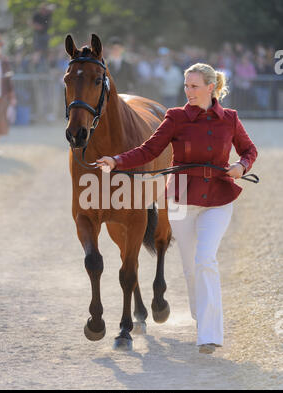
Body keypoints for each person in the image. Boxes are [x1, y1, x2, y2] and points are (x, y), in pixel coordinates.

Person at [96, 63, 258, 354]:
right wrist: (116, 161)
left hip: (218, 198)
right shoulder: (175, 117)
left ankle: (209, 334)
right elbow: (148, 150)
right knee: (190, 266)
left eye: (194, 86)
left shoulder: (230, 119)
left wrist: (241, 166)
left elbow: (249, 150)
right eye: (186, 86)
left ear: (211, 87)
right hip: (182, 199)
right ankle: (201, 316)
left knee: (205, 259)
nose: (188, 91)